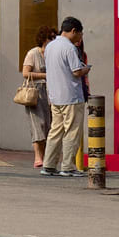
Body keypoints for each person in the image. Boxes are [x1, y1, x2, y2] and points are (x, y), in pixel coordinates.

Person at [41, 17, 91, 177]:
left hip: (55, 96)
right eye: (80, 34)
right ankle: (68, 166)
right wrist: (87, 69)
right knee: (72, 131)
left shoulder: (50, 46)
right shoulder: (69, 48)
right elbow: (76, 71)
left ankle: (48, 164)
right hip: (71, 96)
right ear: (74, 31)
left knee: (55, 131)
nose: (80, 38)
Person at [20, 26, 56, 167]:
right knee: (37, 125)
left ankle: (46, 156)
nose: (52, 40)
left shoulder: (52, 54)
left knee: (49, 125)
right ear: (43, 39)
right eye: (50, 37)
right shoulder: (33, 53)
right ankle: (37, 156)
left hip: (50, 92)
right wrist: (45, 75)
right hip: (36, 92)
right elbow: (25, 73)